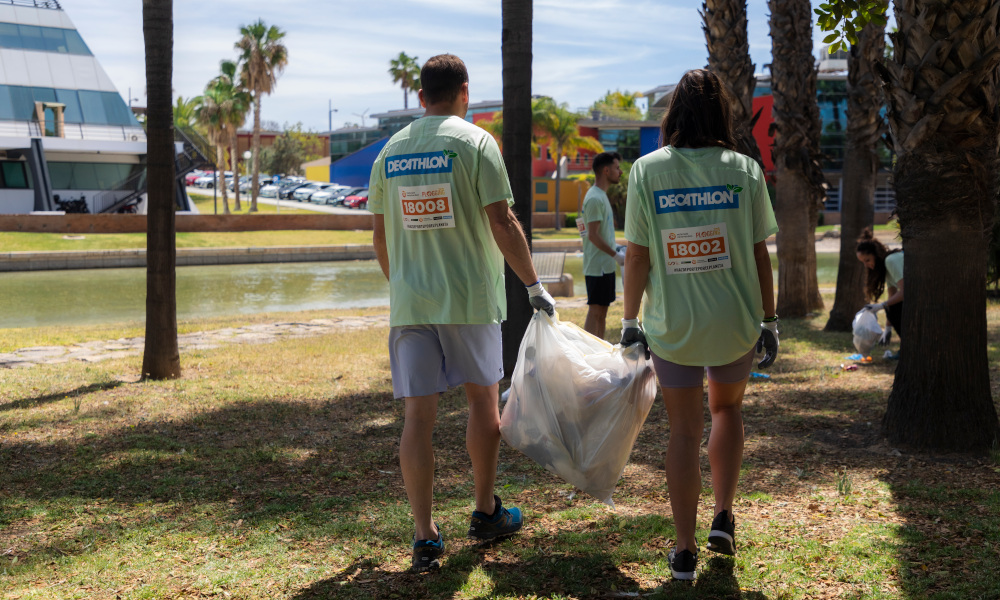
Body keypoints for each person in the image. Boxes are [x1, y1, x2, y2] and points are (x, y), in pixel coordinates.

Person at [369, 54, 556, 573]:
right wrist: (534, 285)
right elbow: (502, 219)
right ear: (465, 92)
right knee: (482, 402)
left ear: (421, 94)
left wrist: (403, 285)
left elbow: (381, 235)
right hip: (470, 298)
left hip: (411, 304)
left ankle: (425, 535)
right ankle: (484, 511)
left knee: (417, 417)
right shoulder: (475, 143)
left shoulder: (390, 150)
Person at [618, 69, 778, 582]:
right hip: (734, 321)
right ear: (721, 114)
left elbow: (638, 256)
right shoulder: (745, 170)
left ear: (674, 114)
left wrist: (628, 320)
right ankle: (724, 516)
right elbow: (760, 255)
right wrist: (769, 320)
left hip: (673, 325)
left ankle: (684, 551)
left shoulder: (646, 171)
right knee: (727, 411)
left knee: (684, 431)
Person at [581, 151, 624, 338]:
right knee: (595, 311)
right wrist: (616, 255)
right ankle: (589, 354)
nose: (620, 172)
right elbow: (592, 235)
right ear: (606, 170)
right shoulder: (594, 198)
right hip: (597, 267)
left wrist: (617, 250)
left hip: (605, 266)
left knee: (603, 312)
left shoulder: (601, 195)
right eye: (617, 168)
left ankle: (600, 353)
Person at [856, 228, 903, 351]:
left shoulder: (891, 260)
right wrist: (887, 328)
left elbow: (905, 292)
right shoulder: (885, 269)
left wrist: (881, 306)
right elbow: (892, 297)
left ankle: (907, 347)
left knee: (892, 307)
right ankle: (905, 347)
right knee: (892, 306)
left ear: (876, 254)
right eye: (863, 262)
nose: (866, 265)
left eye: (868, 260)